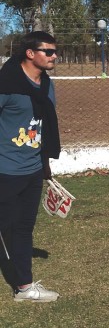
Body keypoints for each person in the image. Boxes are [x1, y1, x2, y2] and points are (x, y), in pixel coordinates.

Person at [0, 31, 62, 302]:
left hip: (32, 169)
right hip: (5, 169)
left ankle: (24, 288)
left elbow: (45, 127)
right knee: (8, 227)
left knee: (23, 228)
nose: (54, 56)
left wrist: (45, 163)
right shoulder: (6, 83)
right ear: (30, 53)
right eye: (48, 51)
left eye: (54, 51)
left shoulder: (47, 85)